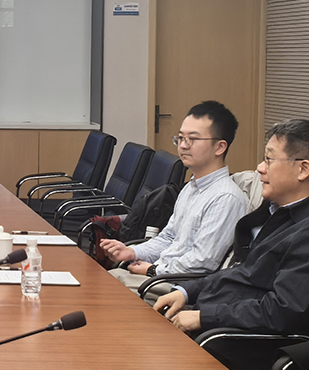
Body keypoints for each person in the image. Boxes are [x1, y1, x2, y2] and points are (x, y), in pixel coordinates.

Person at [154, 119, 309, 337]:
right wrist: (186, 291)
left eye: (269, 160)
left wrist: (204, 317)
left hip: (234, 340)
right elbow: (244, 271)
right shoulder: (283, 210)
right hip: (218, 319)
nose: (260, 168)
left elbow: (282, 312)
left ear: (303, 169)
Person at [101, 101, 249, 290]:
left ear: (219, 147)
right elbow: (169, 238)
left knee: (101, 290)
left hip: (178, 286)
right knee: (97, 283)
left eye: (192, 139)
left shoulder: (226, 198)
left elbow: (202, 263)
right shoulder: (190, 188)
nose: (183, 146)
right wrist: (132, 251)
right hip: (160, 276)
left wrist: (153, 271)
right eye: (180, 138)